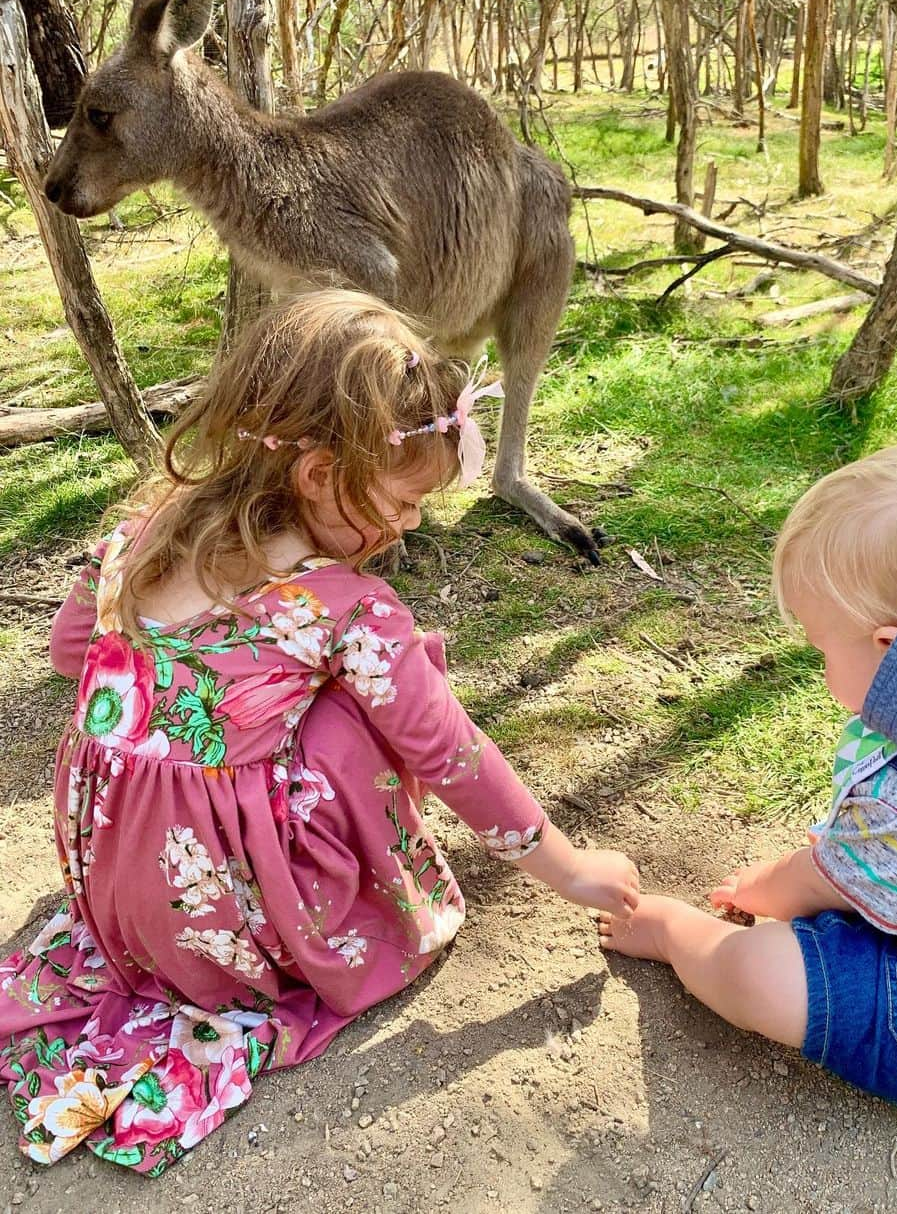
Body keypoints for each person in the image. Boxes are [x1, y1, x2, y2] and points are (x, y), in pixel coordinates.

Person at [0, 291, 639, 1176]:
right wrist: (572, 871)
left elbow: (72, 652)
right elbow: (447, 751)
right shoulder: (344, 607)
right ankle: (340, 913)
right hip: (221, 913)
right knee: (363, 716)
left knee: (291, 709)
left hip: (109, 880)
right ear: (315, 473)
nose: (411, 525)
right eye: (402, 503)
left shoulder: (137, 532)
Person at [599, 445, 897, 1123]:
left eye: (821, 647)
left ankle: (676, 935)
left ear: (890, 650)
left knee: (758, 969)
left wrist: (763, 887)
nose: (820, 666)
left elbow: (829, 882)